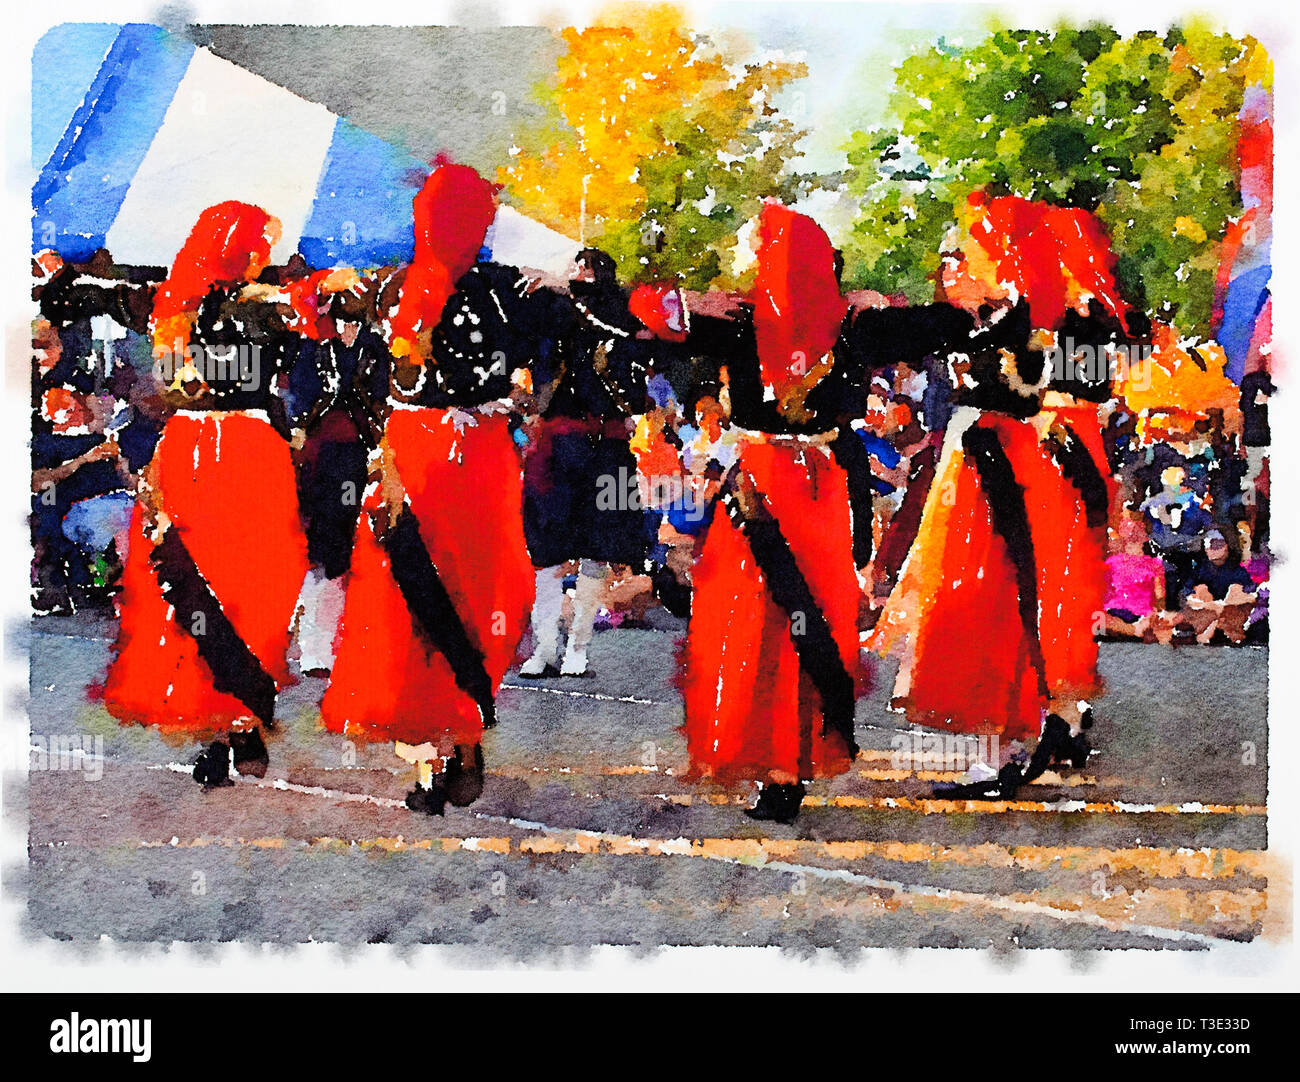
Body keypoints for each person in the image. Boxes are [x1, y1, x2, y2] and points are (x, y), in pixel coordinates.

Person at [321, 162, 537, 815]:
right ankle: (447, 747)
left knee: (418, 602)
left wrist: (379, 443)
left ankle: (444, 750)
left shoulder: (396, 287)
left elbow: (351, 372)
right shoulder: (504, 290)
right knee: (453, 601)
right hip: (463, 458)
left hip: (424, 457)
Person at [104, 202, 308, 786]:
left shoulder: (171, 304)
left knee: (213, 578)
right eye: (260, 242)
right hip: (239, 451)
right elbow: (289, 309)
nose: (265, 253)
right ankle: (237, 717)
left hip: (193, 447)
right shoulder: (244, 303)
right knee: (247, 582)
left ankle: (233, 718)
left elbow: (105, 298)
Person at [679, 203, 864, 824]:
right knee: (807, 614)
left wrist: (674, 303)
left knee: (754, 619)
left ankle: (768, 759)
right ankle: (793, 760)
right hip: (818, 484)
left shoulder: (736, 322)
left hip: (762, 483)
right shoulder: (852, 324)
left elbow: (638, 322)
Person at [518, 248, 651, 678]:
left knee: (597, 552)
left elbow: (617, 330)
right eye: (578, 266)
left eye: (590, 267)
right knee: (547, 554)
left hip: (605, 446)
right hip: (557, 444)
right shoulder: (556, 309)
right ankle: (544, 647)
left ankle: (578, 647)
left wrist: (567, 289)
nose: (581, 273)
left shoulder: (619, 315)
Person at [1175, 529, 1258, 644]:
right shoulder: (1200, 569)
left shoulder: (1238, 570)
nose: (1212, 550)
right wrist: (1209, 604)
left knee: (1234, 592)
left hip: (1230, 614)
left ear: (1226, 546)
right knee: (1201, 590)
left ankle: (1219, 629)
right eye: (1208, 546)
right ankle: (1213, 629)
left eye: (1217, 545)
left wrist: (1226, 604)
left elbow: (1252, 596)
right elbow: (1187, 595)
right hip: (1208, 612)